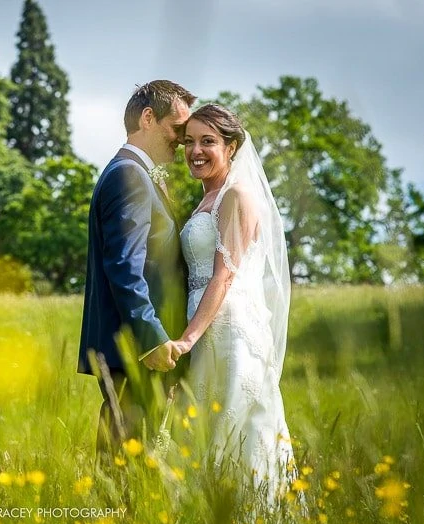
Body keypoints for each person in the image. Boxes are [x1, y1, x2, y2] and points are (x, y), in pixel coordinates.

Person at [171, 104, 294, 499]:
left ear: (233, 147)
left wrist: (187, 340)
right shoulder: (207, 198)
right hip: (207, 329)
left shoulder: (237, 195)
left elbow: (224, 276)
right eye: (189, 141)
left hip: (228, 333)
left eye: (208, 141)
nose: (196, 151)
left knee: (235, 442)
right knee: (206, 440)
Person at [78, 80, 195, 459]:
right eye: (177, 128)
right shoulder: (130, 175)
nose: (183, 139)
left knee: (127, 457)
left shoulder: (130, 172)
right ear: (148, 118)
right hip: (136, 350)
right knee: (124, 462)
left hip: (134, 351)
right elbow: (125, 268)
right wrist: (152, 339)